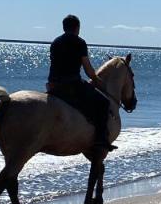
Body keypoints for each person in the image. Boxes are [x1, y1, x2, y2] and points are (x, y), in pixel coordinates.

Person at [46, 14, 115, 153]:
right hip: (71, 84)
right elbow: (88, 70)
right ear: (77, 28)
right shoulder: (80, 42)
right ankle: (101, 140)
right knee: (103, 103)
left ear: (64, 27)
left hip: (52, 84)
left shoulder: (55, 42)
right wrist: (97, 81)